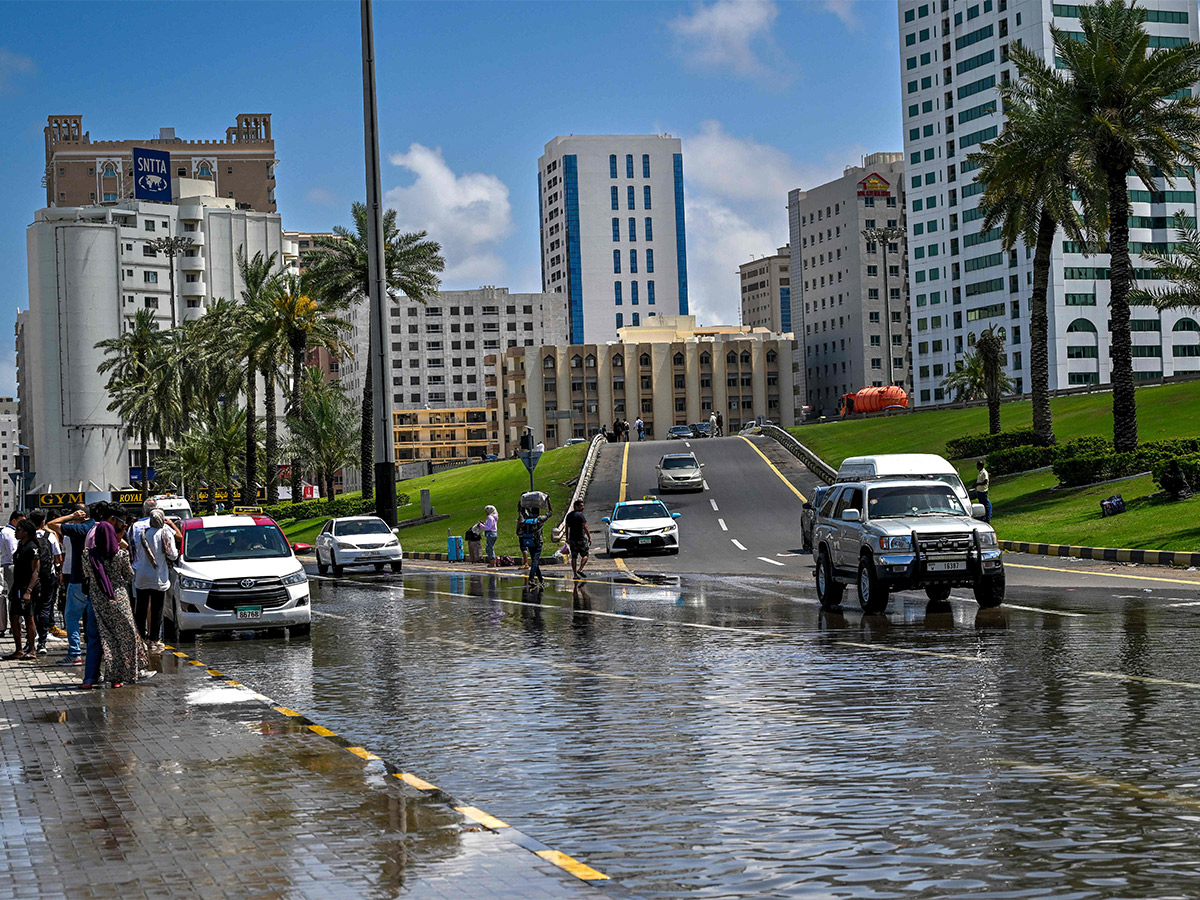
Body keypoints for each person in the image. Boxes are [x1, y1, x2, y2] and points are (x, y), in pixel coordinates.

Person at [83, 504, 149, 689]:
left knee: (102, 637)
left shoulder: (88, 555)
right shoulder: (121, 554)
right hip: (118, 599)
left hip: (97, 599)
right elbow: (129, 575)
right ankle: (118, 678)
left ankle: (89, 679)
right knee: (124, 636)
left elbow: (87, 574)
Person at [47, 505, 93, 667]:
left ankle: (74, 653)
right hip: (94, 580)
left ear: (81, 515)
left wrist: (70, 517)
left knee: (72, 617)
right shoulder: (97, 526)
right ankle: (93, 648)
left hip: (77, 579)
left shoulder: (78, 529)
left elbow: (51, 524)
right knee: (92, 617)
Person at [133, 509, 176, 652]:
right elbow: (173, 555)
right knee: (157, 609)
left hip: (142, 575)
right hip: (158, 576)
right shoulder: (165, 533)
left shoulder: (142, 533)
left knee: (141, 609)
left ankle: (139, 638)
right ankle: (153, 639)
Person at [4, 520, 40, 659]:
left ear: (26, 532)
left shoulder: (32, 547)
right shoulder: (20, 546)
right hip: (17, 586)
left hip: (27, 587)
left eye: (18, 530)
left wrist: (29, 591)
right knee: (14, 617)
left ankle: (32, 649)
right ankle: (18, 649)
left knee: (29, 618)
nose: (15, 532)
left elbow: (35, 571)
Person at [29, 509, 62, 656]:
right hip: (48, 576)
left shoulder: (26, 537)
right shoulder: (50, 536)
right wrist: (59, 571)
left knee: (32, 609)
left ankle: (30, 641)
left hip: (31, 579)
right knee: (45, 606)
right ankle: (42, 641)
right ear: (43, 522)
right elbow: (58, 557)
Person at [517, 501, 551, 588]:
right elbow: (550, 512)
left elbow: (521, 512)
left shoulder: (526, 518)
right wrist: (548, 501)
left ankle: (541, 579)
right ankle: (531, 579)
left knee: (534, 560)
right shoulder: (539, 519)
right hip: (538, 542)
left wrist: (523, 505)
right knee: (535, 561)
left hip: (529, 542)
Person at [0, 511, 20, 639]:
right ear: (14, 520)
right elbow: (14, 551)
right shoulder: (9, 533)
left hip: (9, 565)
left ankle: (15, 624)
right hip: (12, 565)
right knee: (14, 596)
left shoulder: (7, 531)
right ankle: (15, 624)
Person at [565, 499, 590, 579]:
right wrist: (589, 537)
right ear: (576, 507)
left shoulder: (569, 515)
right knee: (585, 555)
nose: (583, 507)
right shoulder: (580, 515)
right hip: (581, 539)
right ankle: (580, 569)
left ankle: (575, 575)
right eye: (581, 506)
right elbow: (585, 527)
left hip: (572, 539)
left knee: (574, 557)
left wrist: (567, 538)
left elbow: (566, 527)